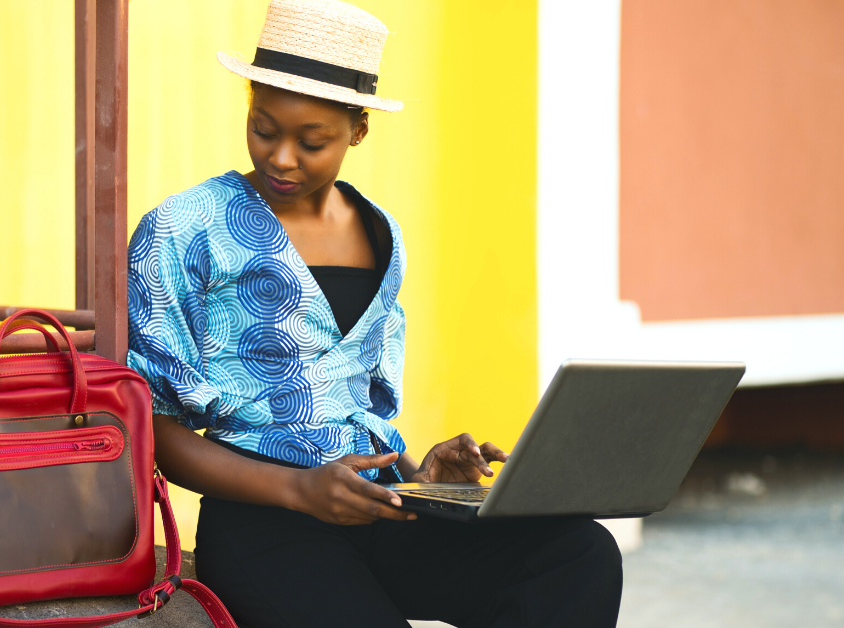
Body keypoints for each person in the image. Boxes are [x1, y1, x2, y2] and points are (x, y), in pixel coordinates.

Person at [127, 1, 622, 626]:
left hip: (379, 505)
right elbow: (160, 434)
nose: (281, 157)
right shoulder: (181, 229)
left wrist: (425, 480)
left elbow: (356, 403)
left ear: (358, 130)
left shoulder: (381, 233)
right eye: (263, 127)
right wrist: (300, 490)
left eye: (312, 142)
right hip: (265, 523)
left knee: (576, 555)